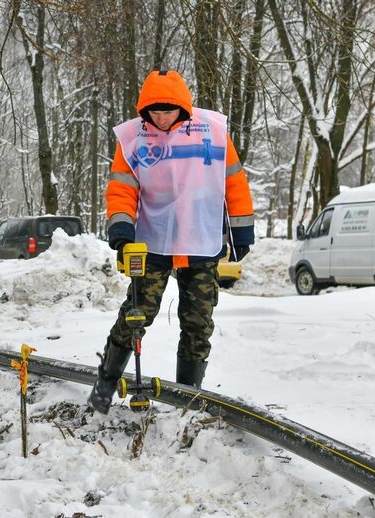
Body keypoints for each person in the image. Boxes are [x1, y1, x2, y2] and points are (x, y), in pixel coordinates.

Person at [87, 70, 255, 414]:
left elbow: (234, 182)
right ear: (144, 110)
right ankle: (105, 382)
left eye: (168, 111)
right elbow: (122, 188)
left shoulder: (213, 131)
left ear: (183, 107)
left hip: (200, 240)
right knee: (137, 314)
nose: (161, 118)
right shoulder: (133, 138)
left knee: (198, 322)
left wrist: (241, 230)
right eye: (154, 112)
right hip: (153, 242)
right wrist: (121, 229)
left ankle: (188, 397)